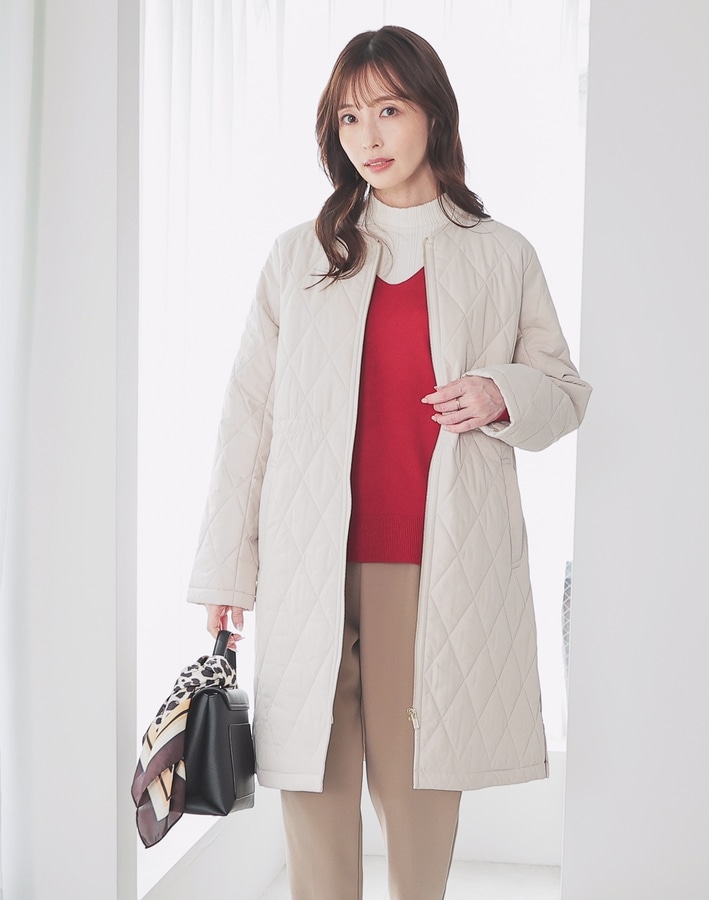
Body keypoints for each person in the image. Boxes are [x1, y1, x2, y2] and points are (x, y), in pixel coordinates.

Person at [187, 25, 591, 900]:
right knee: (312, 790)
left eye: (388, 110)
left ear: (432, 113)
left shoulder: (501, 253)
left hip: (434, 564)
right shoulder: (299, 256)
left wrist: (500, 391)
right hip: (309, 562)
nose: (366, 136)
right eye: (348, 117)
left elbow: (564, 391)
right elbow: (247, 419)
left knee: (419, 803)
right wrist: (226, 569)